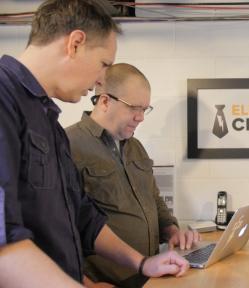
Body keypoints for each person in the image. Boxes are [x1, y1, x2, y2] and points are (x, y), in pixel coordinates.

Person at [0, 0, 188, 286]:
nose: (102, 79)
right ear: (75, 43)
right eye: (104, 64)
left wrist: (142, 263)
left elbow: (84, 217)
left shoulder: (49, 123)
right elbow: (4, 241)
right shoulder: (4, 102)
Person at [66, 63, 200, 287]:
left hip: (148, 276)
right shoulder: (68, 145)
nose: (141, 118)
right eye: (134, 108)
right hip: (106, 282)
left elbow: (154, 200)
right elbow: (59, 230)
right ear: (105, 101)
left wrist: (172, 231)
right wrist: (87, 285)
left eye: (145, 109)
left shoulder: (135, 146)